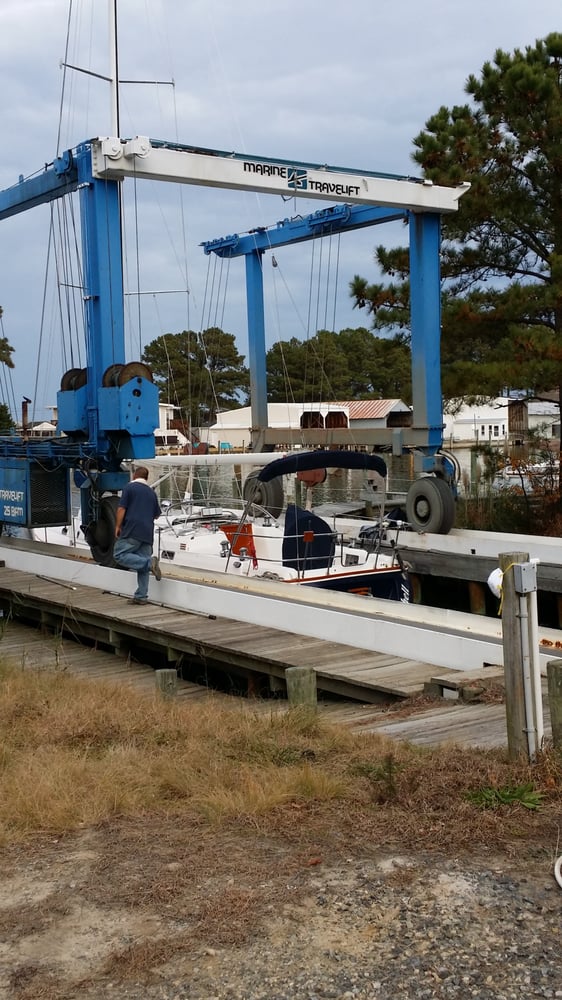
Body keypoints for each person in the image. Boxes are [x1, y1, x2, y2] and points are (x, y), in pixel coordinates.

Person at [114, 466, 162, 605]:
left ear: (135, 475)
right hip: (147, 532)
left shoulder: (129, 488)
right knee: (142, 561)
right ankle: (141, 596)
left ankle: (149, 564)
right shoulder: (151, 493)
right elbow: (157, 515)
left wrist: (117, 526)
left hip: (132, 529)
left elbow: (121, 508)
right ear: (146, 478)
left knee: (119, 554)